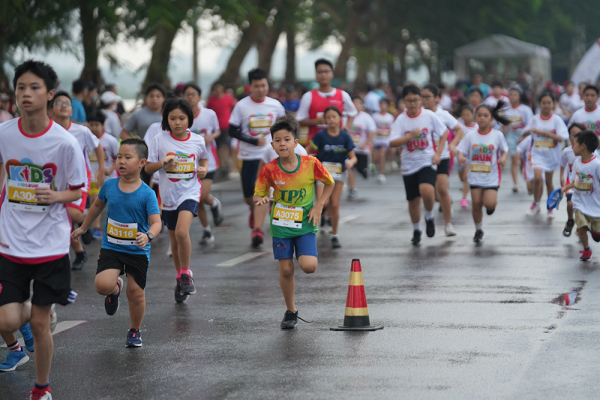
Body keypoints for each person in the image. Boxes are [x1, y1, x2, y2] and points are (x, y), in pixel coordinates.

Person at [0, 60, 86, 400]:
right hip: (11, 241)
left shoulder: (63, 143)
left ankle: (41, 388)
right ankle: (39, 305)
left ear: (49, 94)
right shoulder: (4, 133)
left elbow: (78, 192)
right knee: (6, 320)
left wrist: (55, 195)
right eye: (21, 87)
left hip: (49, 243)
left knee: (38, 324)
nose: (26, 93)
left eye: (34, 87)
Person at [72, 138, 161, 347]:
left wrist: (148, 235)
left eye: (127, 157)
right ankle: (114, 289)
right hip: (112, 247)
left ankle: (134, 330)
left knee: (136, 292)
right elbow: (96, 206)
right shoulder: (109, 186)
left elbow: (156, 222)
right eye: (119, 156)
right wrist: (84, 227)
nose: (121, 161)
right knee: (102, 285)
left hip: (137, 250)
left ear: (141, 163)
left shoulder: (147, 194)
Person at [254, 116, 334, 329]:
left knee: (309, 266)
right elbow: (258, 195)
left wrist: (319, 206)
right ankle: (291, 311)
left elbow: (329, 183)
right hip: (281, 226)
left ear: (295, 143)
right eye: (277, 140)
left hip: (305, 223)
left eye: (287, 139)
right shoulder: (269, 169)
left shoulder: (310, 163)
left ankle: (302, 252)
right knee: (286, 270)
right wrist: (261, 199)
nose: (282, 144)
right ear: (272, 145)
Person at [146, 98, 209, 302]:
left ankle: (185, 273)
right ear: (166, 120)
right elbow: (147, 168)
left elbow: (204, 158)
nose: (178, 122)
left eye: (182, 118)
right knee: (174, 238)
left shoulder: (198, 140)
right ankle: (179, 277)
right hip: (168, 195)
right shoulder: (159, 139)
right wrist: (161, 163)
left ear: (189, 118)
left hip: (190, 192)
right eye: (172, 118)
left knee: (182, 232)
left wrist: (204, 169)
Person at [228, 68, 286, 248]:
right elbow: (231, 130)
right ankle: (255, 209)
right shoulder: (241, 106)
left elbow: (286, 126)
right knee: (248, 196)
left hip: (270, 156)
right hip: (248, 156)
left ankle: (259, 228)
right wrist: (252, 140)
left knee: (264, 192)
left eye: (263, 85)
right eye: (257, 86)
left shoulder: (275, 105)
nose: (261, 89)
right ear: (250, 87)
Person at [50, 91, 105, 271]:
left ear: (72, 110)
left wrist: (101, 170)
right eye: (59, 102)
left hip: (80, 181)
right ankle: (80, 252)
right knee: (62, 220)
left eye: (67, 102)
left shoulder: (81, 131)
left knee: (72, 216)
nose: (64, 105)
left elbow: (97, 147)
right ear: (51, 110)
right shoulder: (49, 131)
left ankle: (85, 222)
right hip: (56, 183)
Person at [389, 84, 448, 244]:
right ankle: (416, 229)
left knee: (427, 191)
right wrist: (409, 137)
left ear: (421, 101)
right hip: (408, 164)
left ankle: (429, 217)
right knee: (413, 201)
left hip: (427, 160)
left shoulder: (429, 116)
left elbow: (444, 133)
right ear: (403, 102)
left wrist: (438, 153)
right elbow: (393, 142)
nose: (413, 104)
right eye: (409, 101)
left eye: (416, 100)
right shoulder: (401, 119)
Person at [457, 103, 509, 243]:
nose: (482, 118)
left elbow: (505, 149)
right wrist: (461, 157)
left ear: (491, 118)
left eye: (485, 116)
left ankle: (490, 207)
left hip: (492, 176)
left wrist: (503, 158)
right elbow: (460, 150)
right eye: (479, 115)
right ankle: (478, 229)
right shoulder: (470, 135)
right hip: (475, 176)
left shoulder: (497, 135)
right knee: (476, 203)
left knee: (489, 204)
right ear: (475, 117)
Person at [183, 82, 224, 244]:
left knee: (201, 196)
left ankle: (214, 203)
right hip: (188, 164)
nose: (190, 98)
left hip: (209, 161)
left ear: (199, 97)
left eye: (193, 94)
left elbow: (218, 130)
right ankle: (207, 230)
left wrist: (209, 138)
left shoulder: (209, 114)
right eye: (187, 94)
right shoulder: (182, 117)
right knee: (196, 198)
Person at [310, 106, 357, 248]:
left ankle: (335, 235)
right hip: (322, 174)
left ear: (340, 118)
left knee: (334, 204)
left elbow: (353, 156)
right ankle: (318, 221)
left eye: (334, 116)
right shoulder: (320, 135)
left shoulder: (345, 136)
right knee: (322, 202)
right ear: (324, 119)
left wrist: (351, 162)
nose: (331, 119)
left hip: (338, 174)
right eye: (328, 117)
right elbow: (308, 150)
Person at [421, 83, 462, 236]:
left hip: (442, 156)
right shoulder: (418, 115)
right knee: (431, 193)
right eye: (422, 97)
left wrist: (452, 144)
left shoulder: (443, 114)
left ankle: (448, 225)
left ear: (437, 98)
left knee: (443, 189)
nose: (424, 100)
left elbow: (459, 129)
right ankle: (430, 215)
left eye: (427, 97)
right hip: (424, 158)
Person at [522, 92, 569, 217]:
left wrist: (545, 133)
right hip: (537, 154)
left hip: (552, 155)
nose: (546, 105)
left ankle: (550, 206)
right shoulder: (534, 119)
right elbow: (524, 131)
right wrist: (529, 130)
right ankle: (536, 203)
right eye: (544, 103)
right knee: (537, 178)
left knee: (548, 182)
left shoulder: (557, 120)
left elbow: (562, 138)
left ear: (553, 104)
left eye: (549, 103)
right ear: (540, 104)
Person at [297, 59, 357, 147]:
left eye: (326, 71)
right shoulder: (308, 96)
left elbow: (352, 113)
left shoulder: (342, 95)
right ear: (316, 75)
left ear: (332, 74)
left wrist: (346, 127)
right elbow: (300, 121)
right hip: (314, 146)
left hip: (337, 146)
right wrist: (318, 121)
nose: (323, 75)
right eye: (320, 72)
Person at [560, 130, 600, 261]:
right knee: (581, 227)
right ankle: (587, 249)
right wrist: (565, 188)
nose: (573, 147)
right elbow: (574, 181)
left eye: (575, 144)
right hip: (579, 203)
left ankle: (595, 231)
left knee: (597, 234)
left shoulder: (597, 164)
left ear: (583, 145)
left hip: (595, 205)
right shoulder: (576, 162)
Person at [87, 111, 119, 238]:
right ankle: (96, 227)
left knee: (113, 204)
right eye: (92, 125)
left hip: (110, 178)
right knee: (95, 201)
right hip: (93, 178)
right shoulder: (86, 139)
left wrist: (110, 170)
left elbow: (118, 158)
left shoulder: (110, 140)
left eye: (97, 125)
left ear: (103, 126)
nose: (94, 127)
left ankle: (115, 228)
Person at [502, 85, 533, 192]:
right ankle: (515, 184)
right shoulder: (506, 110)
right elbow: (503, 126)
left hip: (523, 137)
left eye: (515, 95)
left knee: (522, 161)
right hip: (511, 137)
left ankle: (526, 178)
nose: (513, 97)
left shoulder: (525, 110)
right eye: (511, 94)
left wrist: (524, 137)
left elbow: (531, 125)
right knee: (514, 160)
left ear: (519, 96)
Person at [347, 96, 377, 198]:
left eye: (358, 103)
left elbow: (373, 131)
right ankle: (352, 189)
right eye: (354, 103)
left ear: (362, 105)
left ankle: (365, 170)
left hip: (362, 149)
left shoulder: (366, 117)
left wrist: (366, 143)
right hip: (350, 149)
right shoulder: (346, 116)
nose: (356, 106)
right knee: (349, 168)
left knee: (362, 170)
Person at [560, 123, 586, 237]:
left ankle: (581, 227)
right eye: (572, 135)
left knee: (583, 207)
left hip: (585, 183)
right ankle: (570, 220)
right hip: (570, 182)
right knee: (570, 204)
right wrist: (561, 176)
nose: (575, 138)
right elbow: (562, 165)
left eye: (578, 135)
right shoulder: (566, 151)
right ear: (569, 136)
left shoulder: (589, 151)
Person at [206, 81, 236, 175]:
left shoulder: (228, 97)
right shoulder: (211, 99)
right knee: (218, 146)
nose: (218, 89)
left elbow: (234, 107)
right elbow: (208, 111)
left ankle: (226, 165)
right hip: (216, 127)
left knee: (226, 146)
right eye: (216, 87)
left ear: (222, 88)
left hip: (227, 125)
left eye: (220, 87)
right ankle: (221, 165)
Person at [452, 104, 478, 208]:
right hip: (459, 155)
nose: (466, 117)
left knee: (467, 176)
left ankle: (463, 198)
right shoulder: (458, 125)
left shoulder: (477, 127)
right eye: (464, 115)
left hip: (471, 155)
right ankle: (469, 186)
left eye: (468, 115)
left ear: (473, 115)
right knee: (462, 177)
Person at [372, 98, 395, 183]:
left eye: (385, 104)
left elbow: (392, 129)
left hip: (385, 140)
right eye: (381, 104)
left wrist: (388, 133)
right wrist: (378, 132)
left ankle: (381, 174)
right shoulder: (375, 116)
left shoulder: (390, 117)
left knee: (382, 154)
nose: (383, 106)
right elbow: (372, 128)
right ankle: (374, 166)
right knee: (376, 157)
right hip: (376, 140)